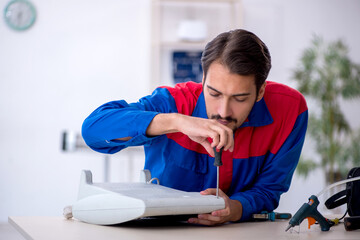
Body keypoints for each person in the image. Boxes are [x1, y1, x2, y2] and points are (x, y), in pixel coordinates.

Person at [82, 29, 308, 226]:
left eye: (239, 98)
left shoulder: (290, 110)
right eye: (214, 93)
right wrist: (175, 122)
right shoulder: (174, 102)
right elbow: (92, 130)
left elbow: (269, 190)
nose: (224, 111)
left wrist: (235, 209)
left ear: (260, 92)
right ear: (203, 80)